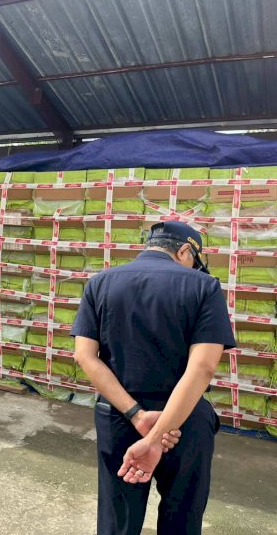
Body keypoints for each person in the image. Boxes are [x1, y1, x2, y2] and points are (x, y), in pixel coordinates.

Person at [72, 220, 236, 535]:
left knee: (118, 519)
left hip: (120, 417)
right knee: (182, 518)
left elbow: (84, 356)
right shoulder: (204, 287)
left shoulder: (100, 283)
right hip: (184, 422)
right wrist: (158, 435)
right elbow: (202, 368)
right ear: (185, 251)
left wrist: (137, 416)